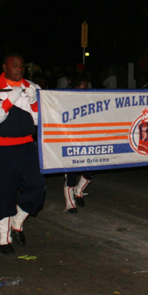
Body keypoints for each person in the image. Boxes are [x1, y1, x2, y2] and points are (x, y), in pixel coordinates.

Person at [0, 53, 46, 253]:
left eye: (22, 66)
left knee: (38, 187)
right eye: (14, 65)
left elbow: (40, 120)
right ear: (4, 67)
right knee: (4, 193)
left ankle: (17, 221)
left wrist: (34, 103)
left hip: (27, 146)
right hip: (1, 148)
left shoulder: (32, 87)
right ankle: (3, 237)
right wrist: (9, 100)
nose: (19, 69)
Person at [64, 76, 94, 213]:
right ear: (76, 88)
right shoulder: (65, 99)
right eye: (84, 86)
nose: (87, 89)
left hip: (86, 140)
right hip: (71, 141)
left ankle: (78, 191)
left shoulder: (90, 100)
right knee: (71, 173)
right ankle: (70, 204)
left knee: (89, 170)